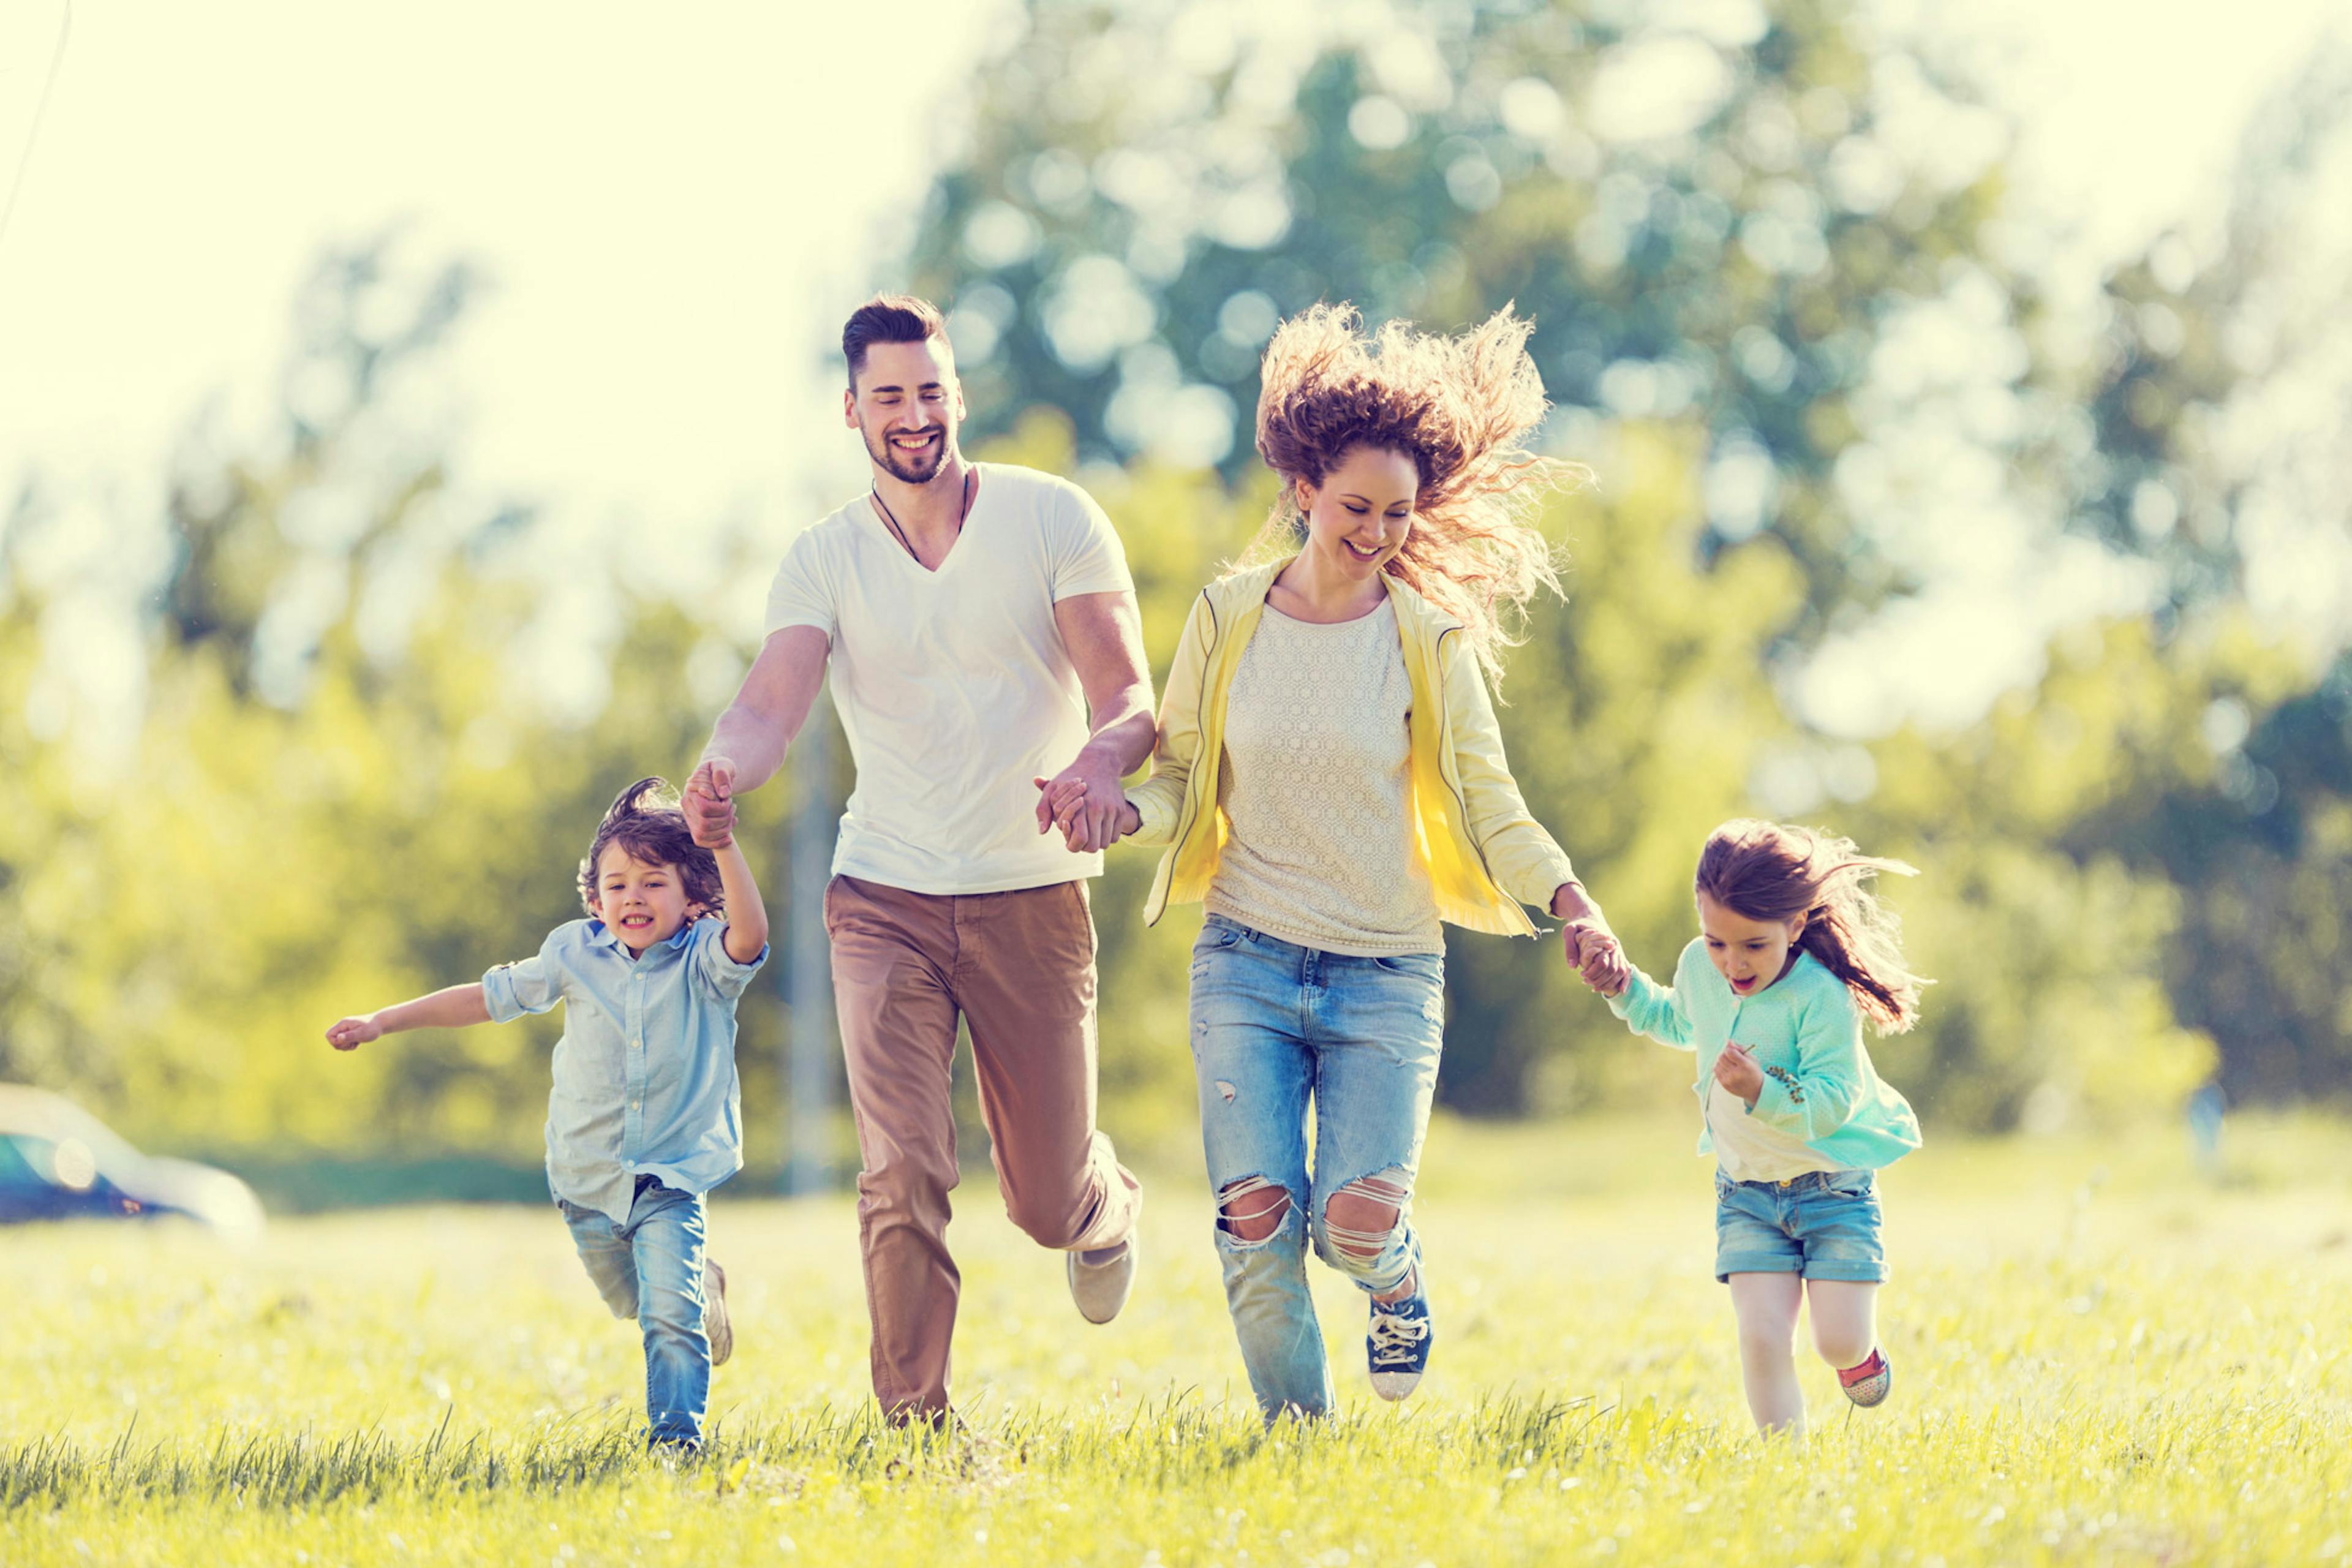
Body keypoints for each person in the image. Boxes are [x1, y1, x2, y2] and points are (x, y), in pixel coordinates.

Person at [1046, 303, 1621, 1422]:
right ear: (1303, 492)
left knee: (1353, 1219)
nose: (1378, 531)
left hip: (1385, 973)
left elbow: (1493, 803)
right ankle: (1298, 1442)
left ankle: (1395, 1283)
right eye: (1357, 507)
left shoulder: (1429, 640)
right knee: (1257, 1216)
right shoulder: (1226, 617)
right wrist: (1115, 809)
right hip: (1248, 962)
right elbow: (1180, 785)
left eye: (1399, 513)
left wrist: (1574, 902)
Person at [685, 295, 1152, 1427]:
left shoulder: (1054, 519)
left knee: (1041, 1202)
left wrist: (1097, 767)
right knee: (901, 1172)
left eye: (930, 391)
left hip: (1030, 894)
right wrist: (721, 770)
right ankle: (913, 1427)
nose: (913, 415)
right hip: (883, 898)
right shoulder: (823, 560)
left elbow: (1129, 693)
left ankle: (1102, 1205)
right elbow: (770, 703)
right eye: (888, 396)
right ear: (851, 411)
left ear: (958, 396)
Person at [325, 778, 769, 1453]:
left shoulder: (707, 960)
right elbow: (485, 997)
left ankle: (676, 1441)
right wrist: (385, 1021)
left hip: (671, 1177)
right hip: (585, 1179)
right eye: (617, 885)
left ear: (693, 899)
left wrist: (723, 842)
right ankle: (704, 1289)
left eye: (654, 883)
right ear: (595, 901)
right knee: (637, 1304)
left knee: (667, 1317)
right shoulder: (574, 954)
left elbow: (751, 931)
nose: (634, 898)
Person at [1575, 818, 1924, 1435]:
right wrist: (1623, 986)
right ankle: (1785, 1468)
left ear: (1794, 925)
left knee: (1837, 1343)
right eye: (1716, 942)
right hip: (1748, 1195)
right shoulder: (1700, 966)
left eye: (1753, 946)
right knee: (1762, 1338)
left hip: (1832, 1190)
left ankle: (1860, 1357)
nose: (1732, 962)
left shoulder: (1820, 995)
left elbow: (1833, 1100)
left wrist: (1762, 1091)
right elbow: (1679, 1021)